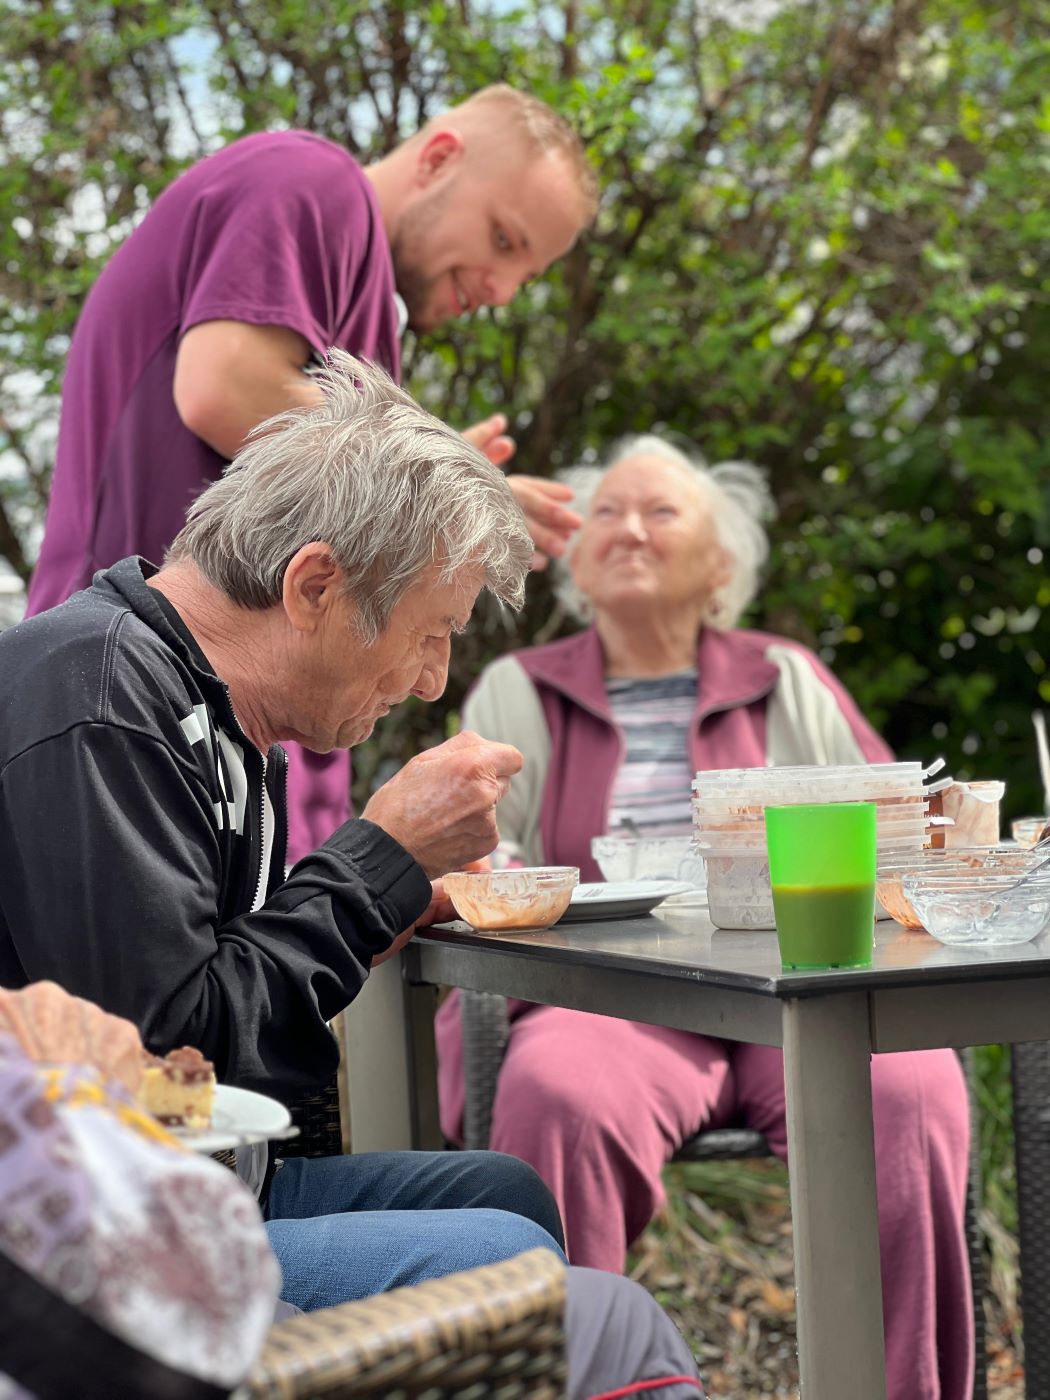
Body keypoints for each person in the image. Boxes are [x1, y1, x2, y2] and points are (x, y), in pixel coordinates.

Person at [435, 435, 974, 1400]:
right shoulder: (520, 688)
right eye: (605, 513)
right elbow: (478, 853)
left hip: (805, 986)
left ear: (721, 565)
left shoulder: (785, 677)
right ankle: (577, 1383)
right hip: (611, 999)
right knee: (556, 1091)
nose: (627, 530)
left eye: (660, 512)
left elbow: (895, 830)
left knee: (913, 1087)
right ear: (573, 559)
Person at [26, 83, 594, 860]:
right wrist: (443, 487)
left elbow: (311, 457)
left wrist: (449, 502)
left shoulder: (362, 313)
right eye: (502, 239)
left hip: (225, 748)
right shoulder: (312, 180)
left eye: (524, 277)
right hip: (134, 722)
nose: (498, 290)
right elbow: (222, 385)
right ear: (437, 159)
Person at [0, 981, 706, 1400]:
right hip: (199, 1294)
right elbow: (189, 1281)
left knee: (506, 1187)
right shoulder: (105, 739)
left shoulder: (230, 754)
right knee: (588, 1299)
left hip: (238, 1185)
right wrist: (375, 874)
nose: (401, 716)